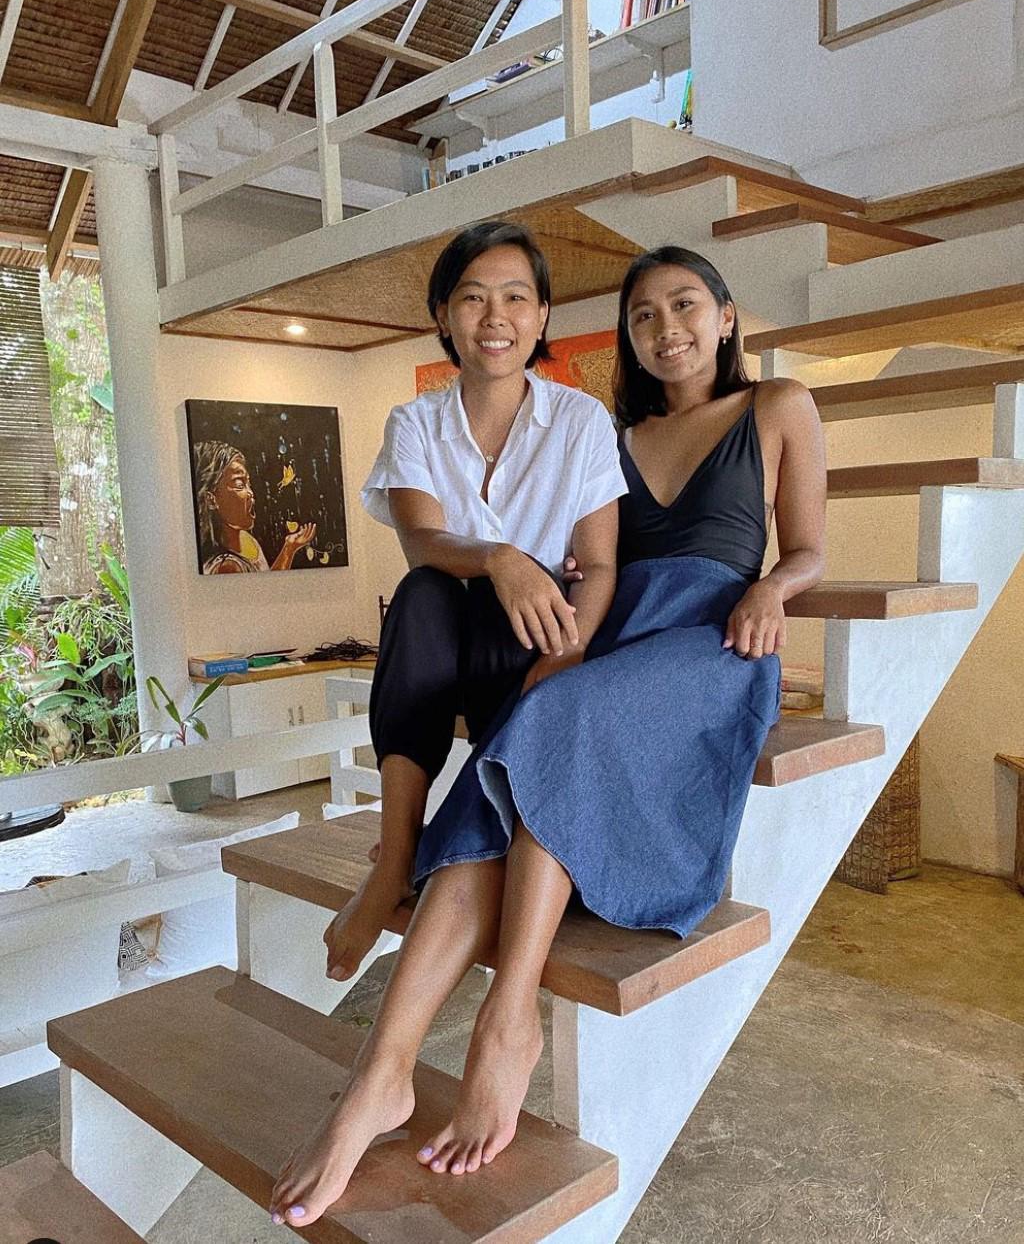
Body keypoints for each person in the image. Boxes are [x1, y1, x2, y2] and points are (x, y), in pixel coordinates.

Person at [269, 246, 826, 1227]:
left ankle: (506, 1017)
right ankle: (379, 1074)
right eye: (645, 316)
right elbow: (585, 552)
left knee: (548, 723)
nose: (667, 330)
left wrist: (773, 589)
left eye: (686, 307)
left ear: (727, 317)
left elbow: (810, 545)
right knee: (509, 763)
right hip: (611, 635)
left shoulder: (776, 408)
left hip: (710, 643)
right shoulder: (610, 430)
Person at [319, 220, 626, 984]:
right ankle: (395, 860)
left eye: (517, 298)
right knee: (424, 592)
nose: (496, 319)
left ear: (543, 315)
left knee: (462, 600)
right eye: (474, 298)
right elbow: (422, 540)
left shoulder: (582, 421)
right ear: (443, 315)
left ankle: (457, 854)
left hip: (532, 647)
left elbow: (600, 566)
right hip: (438, 646)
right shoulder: (414, 422)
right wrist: (501, 557)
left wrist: (569, 654)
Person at [192, 441, 316, 574]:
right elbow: (268, 591)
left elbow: (267, 584)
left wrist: (289, 547)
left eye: (248, 483)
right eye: (240, 484)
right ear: (211, 500)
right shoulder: (227, 566)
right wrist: (288, 550)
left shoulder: (246, 539)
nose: (250, 493)